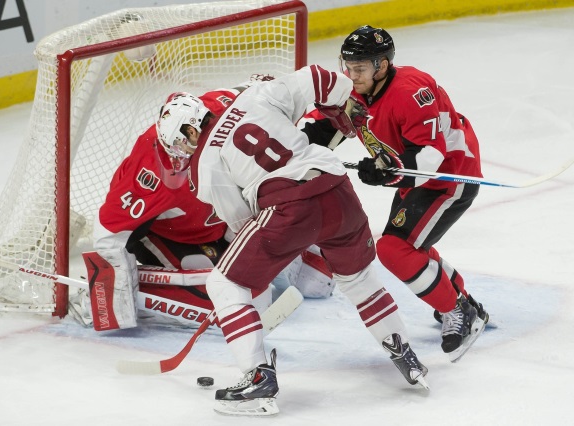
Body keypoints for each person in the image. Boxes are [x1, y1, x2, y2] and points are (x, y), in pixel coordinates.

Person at [156, 64, 429, 417]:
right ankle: (405, 353)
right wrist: (339, 105)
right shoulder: (254, 96)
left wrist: (267, 253)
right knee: (360, 280)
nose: (183, 150)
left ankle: (257, 378)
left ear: (191, 128)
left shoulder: (204, 167)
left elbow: (241, 221)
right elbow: (319, 77)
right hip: (339, 194)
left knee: (224, 283)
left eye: (180, 141)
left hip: (288, 210)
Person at [81, 76, 335, 332]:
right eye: (176, 146)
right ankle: (140, 293)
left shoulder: (226, 108)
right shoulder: (150, 173)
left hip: (222, 222)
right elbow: (108, 233)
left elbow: (272, 89)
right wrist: (111, 298)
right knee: (244, 301)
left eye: (187, 140)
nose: (182, 153)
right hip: (170, 235)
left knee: (320, 281)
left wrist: (328, 116)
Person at [335, 25, 489, 362]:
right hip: (414, 177)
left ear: (382, 66)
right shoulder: (357, 90)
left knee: (394, 249)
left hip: (450, 174)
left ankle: (458, 310)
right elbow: (324, 123)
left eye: (359, 68)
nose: (351, 74)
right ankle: (460, 298)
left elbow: (430, 160)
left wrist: (384, 172)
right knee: (407, 245)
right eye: (347, 66)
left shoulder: (411, 91)